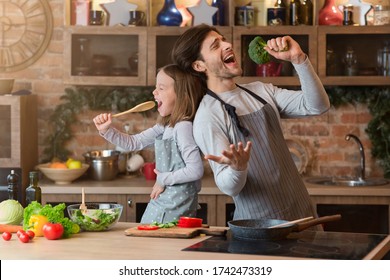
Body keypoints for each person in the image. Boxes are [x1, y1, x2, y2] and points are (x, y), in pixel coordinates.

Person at [171, 24, 330, 222]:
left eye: (224, 39)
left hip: (303, 214)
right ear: (199, 66)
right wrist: (238, 168)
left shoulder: (260, 91)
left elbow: (317, 106)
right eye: (215, 45)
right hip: (261, 228)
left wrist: (299, 60)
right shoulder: (208, 116)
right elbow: (228, 186)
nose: (228, 45)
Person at [92, 64, 204, 223]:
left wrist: (163, 179)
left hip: (176, 205)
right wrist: (107, 130)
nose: (154, 92)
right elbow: (133, 142)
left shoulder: (183, 127)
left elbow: (195, 170)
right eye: (155, 87)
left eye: (161, 88)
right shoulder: (165, 126)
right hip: (165, 200)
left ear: (182, 94)